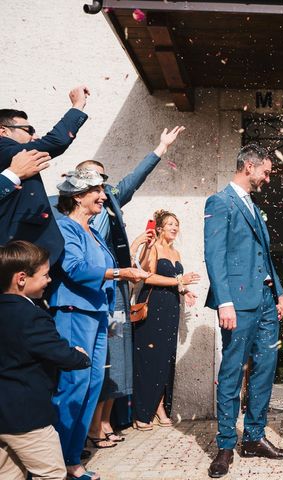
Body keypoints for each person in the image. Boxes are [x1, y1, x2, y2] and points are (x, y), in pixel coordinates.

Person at [64, 126, 184, 447]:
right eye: (96, 182)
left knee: (114, 357)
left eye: (105, 182)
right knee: (90, 361)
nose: (105, 188)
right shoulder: (71, 219)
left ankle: (104, 421)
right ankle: (89, 427)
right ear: (81, 187)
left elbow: (134, 178)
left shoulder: (110, 203)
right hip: (92, 289)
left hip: (115, 293)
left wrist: (160, 148)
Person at [49, 169, 148, 480]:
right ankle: (59, 461)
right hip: (73, 312)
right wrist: (121, 274)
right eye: (97, 191)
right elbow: (74, 269)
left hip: (95, 313)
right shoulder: (66, 227)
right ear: (78, 196)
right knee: (73, 386)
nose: (104, 197)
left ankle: (72, 457)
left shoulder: (91, 229)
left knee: (92, 386)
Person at [204, 143, 283, 479]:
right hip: (238, 303)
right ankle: (226, 443)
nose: (267, 178)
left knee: (265, 369)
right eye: (265, 172)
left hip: (267, 301)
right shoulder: (220, 201)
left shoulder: (253, 206)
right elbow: (214, 255)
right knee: (232, 372)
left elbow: (265, 257)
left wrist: (280, 293)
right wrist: (224, 301)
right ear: (249, 166)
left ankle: (254, 438)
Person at [0, 241, 91, 480]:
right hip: (27, 417)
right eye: (45, 275)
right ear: (21, 278)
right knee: (51, 473)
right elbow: (57, 352)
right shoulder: (31, 316)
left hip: (4, 417)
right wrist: (80, 357)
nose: (49, 280)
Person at [0, 86, 90, 265]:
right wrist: (78, 105)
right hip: (21, 258)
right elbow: (57, 141)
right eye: (29, 130)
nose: (35, 136)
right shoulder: (4, 149)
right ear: (3, 132)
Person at [131, 209, 199, 430]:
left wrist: (184, 290)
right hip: (154, 307)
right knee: (150, 360)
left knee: (165, 360)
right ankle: (142, 412)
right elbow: (146, 275)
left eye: (176, 224)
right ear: (159, 227)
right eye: (169, 223)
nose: (174, 227)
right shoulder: (153, 248)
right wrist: (179, 279)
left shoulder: (176, 253)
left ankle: (160, 408)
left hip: (171, 307)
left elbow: (174, 280)